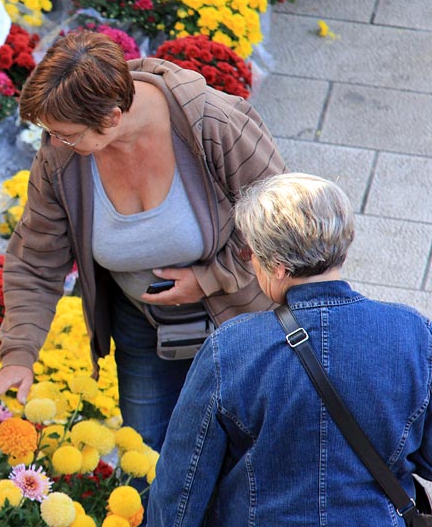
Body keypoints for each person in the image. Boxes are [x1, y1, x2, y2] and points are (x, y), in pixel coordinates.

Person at [0, 30, 286, 450]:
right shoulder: (61, 157)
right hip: (142, 329)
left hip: (240, 319)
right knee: (147, 447)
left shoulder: (213, 123)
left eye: (67, 134)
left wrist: (209, 278)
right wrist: (18, 355)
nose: (55, 143)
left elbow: (280, 222)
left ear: (113, 117)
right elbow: (35, 259)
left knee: (245, 445)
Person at [147, 173, 432, 525]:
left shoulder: (231, 348)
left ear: (278, 266)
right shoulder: (414, 333)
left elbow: (182, 488)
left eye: (250, 253)